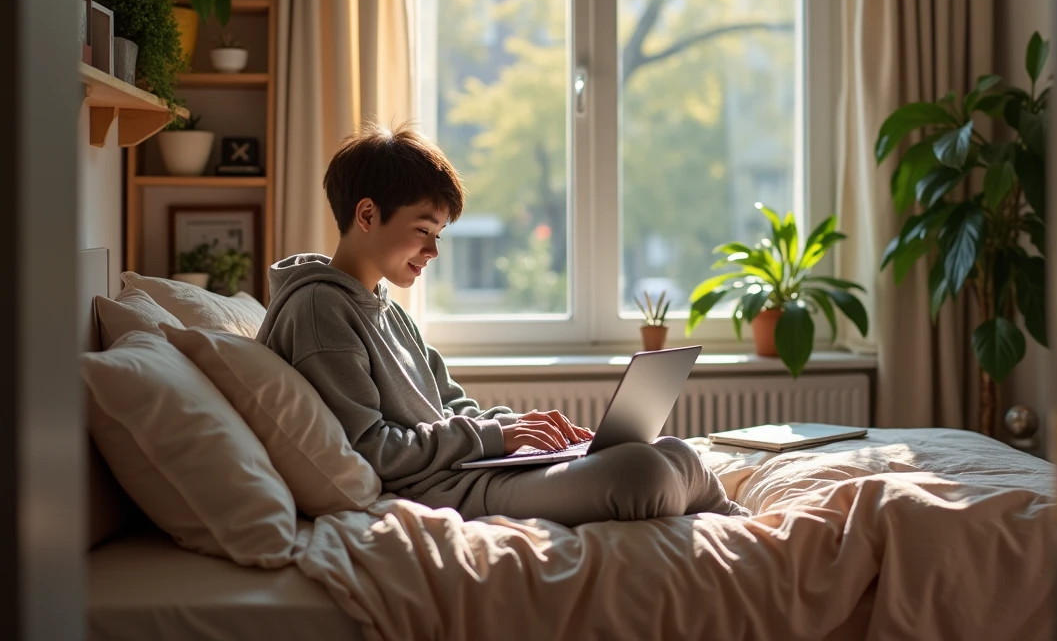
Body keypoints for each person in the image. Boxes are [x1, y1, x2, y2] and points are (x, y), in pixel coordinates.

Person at [256, 122, 749, 527]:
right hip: (443, 491)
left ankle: (744, 530)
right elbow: (372, 449)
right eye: (423, 230)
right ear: (367, 214)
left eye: (438, 234)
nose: (432, 251)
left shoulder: (389, 310)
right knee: (642, 472)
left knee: (672, 450)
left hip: (471, 471)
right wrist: (497, 439)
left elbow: (454, 408)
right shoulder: (319, 310)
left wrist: (521, 429)